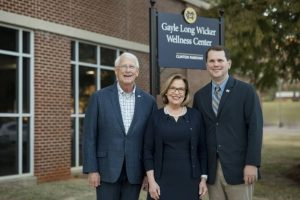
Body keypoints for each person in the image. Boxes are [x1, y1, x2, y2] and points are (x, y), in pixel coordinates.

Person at [83, 52, 157, 200]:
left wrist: (147, 173)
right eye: (124, 66)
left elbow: (151, 141)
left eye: (131, 67)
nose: (127, 70)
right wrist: (92, 169)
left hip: (135, 171)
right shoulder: (99, 98)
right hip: (106, 170)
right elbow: (89, 136)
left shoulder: (149, 102)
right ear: (116, 71)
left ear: (137, 72)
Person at [193, 45, 263, 200]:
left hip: (239, 168)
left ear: (229, 64)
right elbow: (199, 134)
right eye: (211, 61)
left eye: (220, 60)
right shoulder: (200, 96)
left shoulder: (246, 91)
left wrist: (252, 163)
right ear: (206, 65)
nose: (216, 64)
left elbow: (255, 129)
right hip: (211, 170)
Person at [143, 74, 208, 200]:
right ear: (166, 91)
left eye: (181, 89)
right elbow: (147, 151)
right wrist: (151, 181)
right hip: (160, 182)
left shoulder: (196, 116)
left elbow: (202, 150)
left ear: (186, 93)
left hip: (190, 181)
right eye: (172, 88)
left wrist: (203, 179)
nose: (176, 92)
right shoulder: (155, 117)